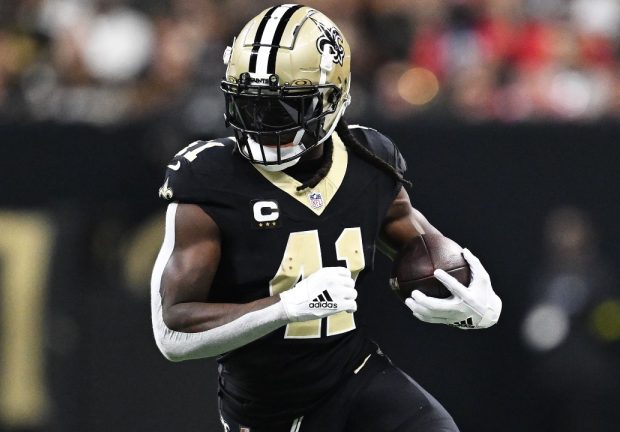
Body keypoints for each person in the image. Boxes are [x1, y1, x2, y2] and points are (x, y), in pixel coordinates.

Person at [150, 5, 502, 431]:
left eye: (284, 109)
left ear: (333, 97)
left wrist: (475, 297)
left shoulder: (367, 163)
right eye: (251, 106)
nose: (263, 125)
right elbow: (172, 336)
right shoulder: (209, 179)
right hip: (265, 411)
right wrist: (283, 308)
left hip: (352, 377)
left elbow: (424, 246)